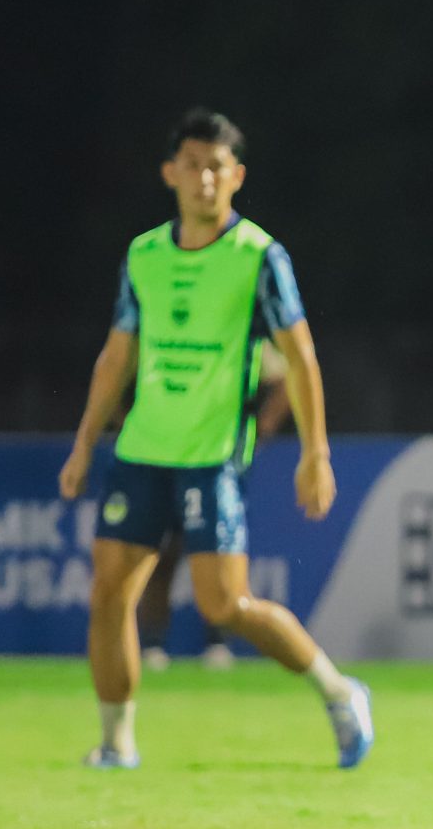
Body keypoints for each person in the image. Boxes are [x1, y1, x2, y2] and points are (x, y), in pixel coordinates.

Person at [57, 108, 375, 770]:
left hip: (211, 457)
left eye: (216, 167)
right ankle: (116, 742)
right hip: (142, 449)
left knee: (223, 603)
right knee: (110, 591)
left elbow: (303, 358)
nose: (204, 178)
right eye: (193, 165)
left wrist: (317, 452)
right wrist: (85, 442)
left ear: (237, 177)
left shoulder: (259, 256)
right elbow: (117, 356)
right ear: (170, 173)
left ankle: (340, 690)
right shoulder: (144, 253)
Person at [140, 347, 292, 672]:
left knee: (217, 556)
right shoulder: (165, 334)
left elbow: (288, 377)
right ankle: (152, 644)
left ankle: (218, 641)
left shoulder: (237, 334)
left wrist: (264, 425)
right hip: (166, 459)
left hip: (218, 464)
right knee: (162, 552)